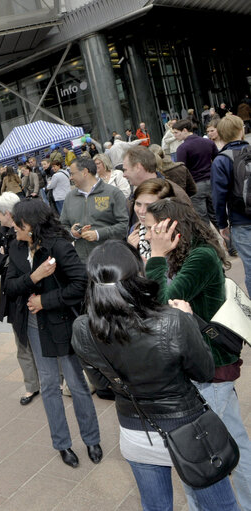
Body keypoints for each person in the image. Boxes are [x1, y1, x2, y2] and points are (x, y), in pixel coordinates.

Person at [71, 241, 240, 511]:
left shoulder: (82, 328)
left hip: (136, 434)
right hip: (189, 430)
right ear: (139, 273)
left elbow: (102, 385)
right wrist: (190, 320)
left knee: (156, 506)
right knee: (220, 507)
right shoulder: (173, 320)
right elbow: (205, 372)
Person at [144, 198, 251, 509]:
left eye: (153, 228)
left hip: (211, 369)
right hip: (208, 365)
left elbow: (158, 304)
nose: (148, 234)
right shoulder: (193, 253)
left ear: (172, 230)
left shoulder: (200, 257)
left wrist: (157, 256)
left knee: (206, 453)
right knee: (232, 441)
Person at [3, 199, 101, 468]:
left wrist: (45, 301)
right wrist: (34, 278)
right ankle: (62, 444)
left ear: (31, 226)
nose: (14, 228)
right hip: (34, 326)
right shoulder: (16, 248)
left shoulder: (58, 244)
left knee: (77, 384)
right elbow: (10, 287)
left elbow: (81, 283)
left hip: (61, 323)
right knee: (48, 386)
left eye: (18, 224)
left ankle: (92, 439)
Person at [0, 192, 39, 406]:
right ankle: (32, 386)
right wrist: (6, 260)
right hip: (13, 297)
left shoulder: (29, 230)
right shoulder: (3, 233)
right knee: (23, 345)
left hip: (32, 296)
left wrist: (8, 259)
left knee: (44, 340)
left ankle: (57, 381)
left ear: (8, 214)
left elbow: (28, 264)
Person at [60, 157, 129, 262]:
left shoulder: (113, 193)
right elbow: (62, 226)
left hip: (112, 258)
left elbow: (123, 226)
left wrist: (98, 234)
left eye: (72, 174)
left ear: (84, 172)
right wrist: (72, 233)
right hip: (84, 262)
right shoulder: (70, 197)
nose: (70, 178)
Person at [212, 113, 251, 292]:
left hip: (241, 221)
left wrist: (222, 224)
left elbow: (219, 197)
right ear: (241, 131)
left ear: (220, 135)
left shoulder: (221, 160)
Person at [173, 119, 218, 225]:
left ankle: (210, 241)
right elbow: (217, 161)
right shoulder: (208, 142)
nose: (174, 136)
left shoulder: (182, 148)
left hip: (196, 185)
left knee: (202, 221)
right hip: (212, 182)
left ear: (184, 130)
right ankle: (227, 241)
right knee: (217, 217)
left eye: (176, 132)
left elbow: (182, 170)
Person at [126, 179, 179, 261]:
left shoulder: (174, 235)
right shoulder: (135, 229)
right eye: (138, 204)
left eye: (149, 206)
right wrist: (131, 250)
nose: (141, 211)